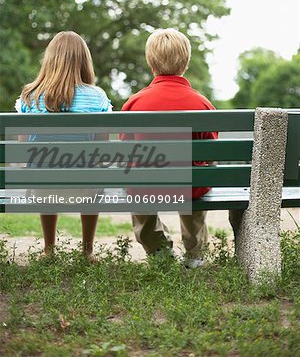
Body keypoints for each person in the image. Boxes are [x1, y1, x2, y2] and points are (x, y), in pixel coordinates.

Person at [121, 28, 218, 268]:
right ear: (185, 63)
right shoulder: (202, 103)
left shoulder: (135, 103)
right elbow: (212, 151)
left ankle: (158, 251)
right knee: (196, 174)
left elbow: (126, 150)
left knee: (136, 183)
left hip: (147, 187)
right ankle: (195, 254)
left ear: (150, 63)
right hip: (191, 187)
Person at [15, 31, 112, 260]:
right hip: (85, 187)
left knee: (42, 170)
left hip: (41, 187)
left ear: (49, 59)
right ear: (84, 61)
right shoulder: (96, 96)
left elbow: (23, 148)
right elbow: (102, 149)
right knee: (94, 173)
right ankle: (87, 251)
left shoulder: (30, 95)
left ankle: (49, 250)